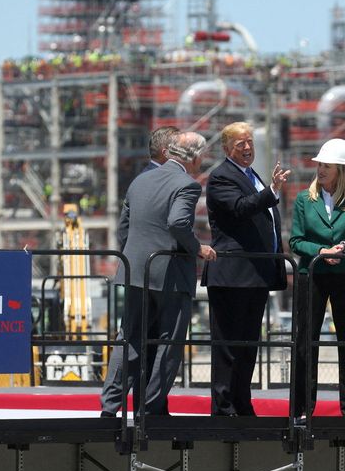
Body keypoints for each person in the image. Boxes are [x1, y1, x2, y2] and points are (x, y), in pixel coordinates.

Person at [100, 132, 217, 417]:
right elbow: (178, 223)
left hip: (135, 272)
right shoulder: (187, 185)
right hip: (170, 277)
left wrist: (134, 257)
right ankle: (149, 409)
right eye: (202, 155)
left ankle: (109, 406)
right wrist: (197, 248)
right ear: (193, 157)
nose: (203, 161)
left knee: (128, 339)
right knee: (168, 344)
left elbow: (124, 229)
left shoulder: (140, 180)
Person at [202, 121, 290, 416]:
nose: (248, 148)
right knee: (228, 344)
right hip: (232, 274)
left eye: (250, 142)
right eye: (241, 144)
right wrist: (272, 190)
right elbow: (239, 208)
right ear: (227, 148)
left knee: (249, 344)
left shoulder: (251, 175)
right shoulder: (220, 177)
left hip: (256, 274)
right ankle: (223, 405)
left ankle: (242, 401)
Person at [289, 139, 345, 418]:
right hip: (312, 275)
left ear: (341, 170)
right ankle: (302, 409)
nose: (320, 169)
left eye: (326, 165)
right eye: (320, 165)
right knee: (305, 341)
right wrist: (322, 252)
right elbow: (296, 241)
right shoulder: (304, 199)